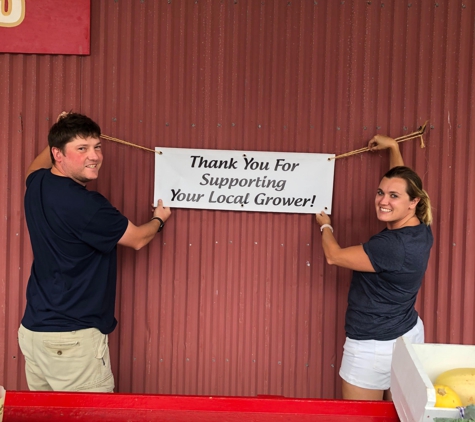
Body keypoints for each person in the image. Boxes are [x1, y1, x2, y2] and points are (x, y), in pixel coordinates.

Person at [18, 111, 171, 392]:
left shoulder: (37, 184)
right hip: (72, 340)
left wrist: (60, 130)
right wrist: (159, 219)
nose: (94, 156)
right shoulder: (88, 206)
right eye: (82, 148)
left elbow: (32, 168)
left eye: (97, 147)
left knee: (45, 415)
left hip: (34, 333)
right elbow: (137, 238)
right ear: (58, 154)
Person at [315, 135, 433, 401]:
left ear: (413, 202)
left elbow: (334, 256)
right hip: (407, 335)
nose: (383, 201)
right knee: (400, 414)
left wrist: (325, 226)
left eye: (393, 196)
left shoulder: (391, 247)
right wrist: (394, 148)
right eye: (381, 192)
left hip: (373, 346)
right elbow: (401, 181)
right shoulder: (421, 227)